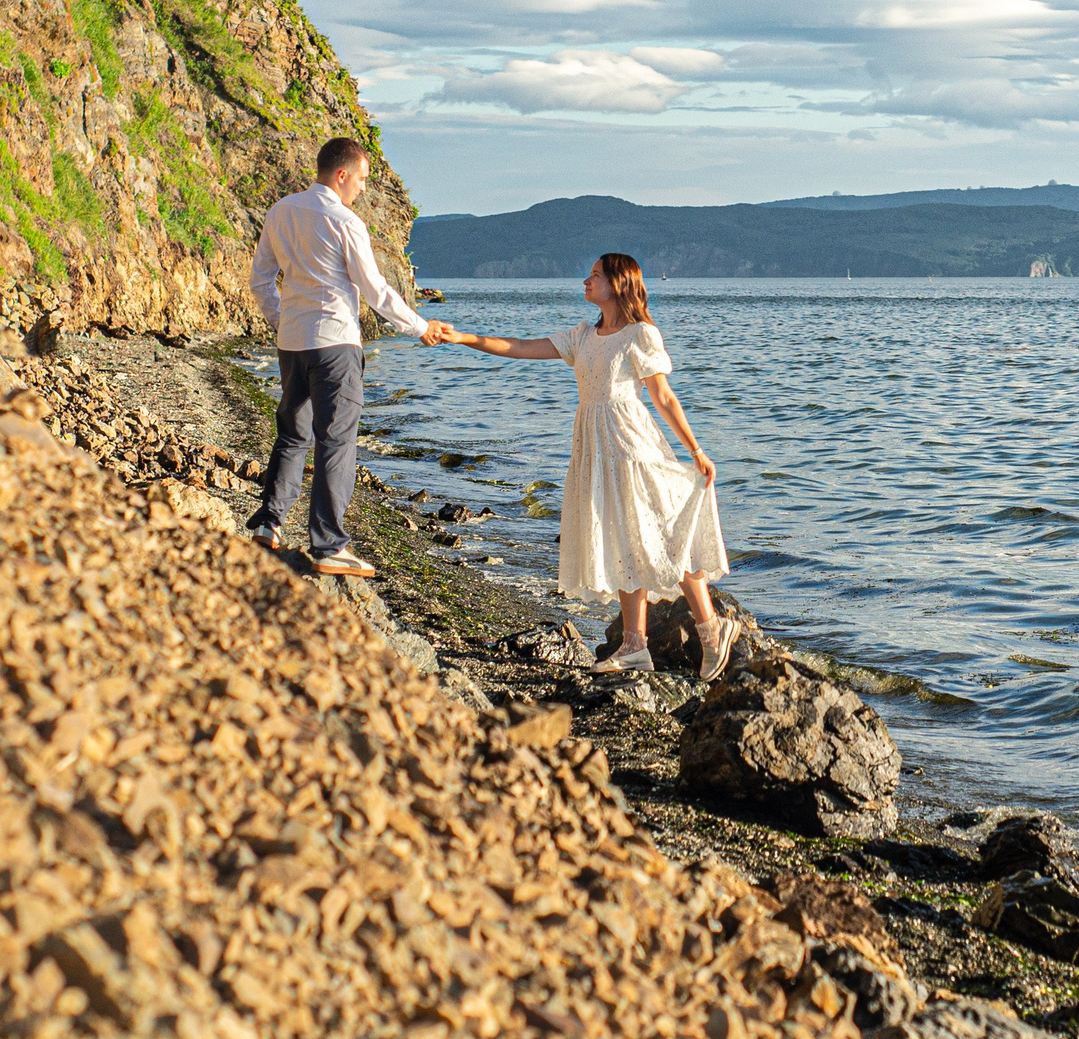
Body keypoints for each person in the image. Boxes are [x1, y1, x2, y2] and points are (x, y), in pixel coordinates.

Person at [429, 252, 739, 680]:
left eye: (594, 275)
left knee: (664, 531)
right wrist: (463, 337)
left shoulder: (640, 334)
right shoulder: (584, 335)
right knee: (625, 536)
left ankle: (711, 628)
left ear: (618, 284)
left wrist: (697, 451)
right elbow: (520, 347)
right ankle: (634, 646)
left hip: (632, 444)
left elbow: (663, 397)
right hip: (595, 449)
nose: (586, 281)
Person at [245, 136, 447, 577]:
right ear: (342, 175)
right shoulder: (344, 221)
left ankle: (268, 524)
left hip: (293, 342)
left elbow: (260, 281)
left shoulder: (281, 211)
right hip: (335, 343)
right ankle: (329, 546)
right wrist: (419, 327)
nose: (361, 188)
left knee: (294, 435)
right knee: (336, 440)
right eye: (360, 180)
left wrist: (283, 320)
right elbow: (374, 290)